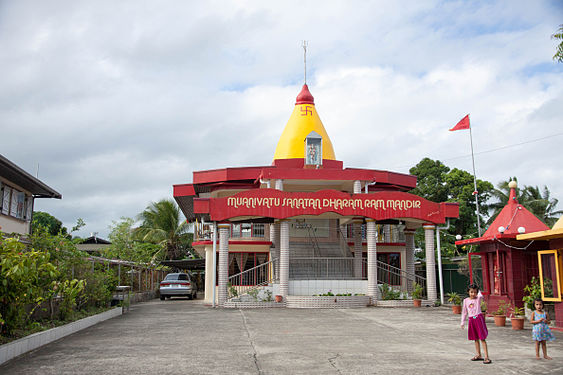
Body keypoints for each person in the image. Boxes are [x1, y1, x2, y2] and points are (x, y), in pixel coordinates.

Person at [460, 284, 491, 364]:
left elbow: (480, 295)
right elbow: (464, 312)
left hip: (478, 319)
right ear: (468, 292)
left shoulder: (478, 299)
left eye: (475, 292)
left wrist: (478, 290)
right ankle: (478, 355)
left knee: (482, 338)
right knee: (475, 338)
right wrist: (462, 322)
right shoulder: (466, 300)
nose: (473, 294)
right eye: (471, 292)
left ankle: (486, 357)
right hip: (471, 320)